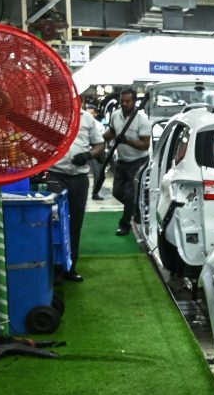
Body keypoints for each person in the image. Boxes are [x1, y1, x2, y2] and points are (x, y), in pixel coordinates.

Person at [44, 104, 106, 280]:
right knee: (55, 221)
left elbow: (99, 144)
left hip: (79, 178)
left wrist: (88, 155)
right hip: (55, 175)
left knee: (75, 223)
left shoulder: (86, 117)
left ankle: (70, 267)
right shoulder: (46, 116)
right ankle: (55, 268)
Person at [103, 87, 152, 236]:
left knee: (130, 195)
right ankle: (137, 209)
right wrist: (97, 140)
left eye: (128, 101)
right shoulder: (116, 115)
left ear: (134, 101)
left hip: (138, 162)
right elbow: (112, 132)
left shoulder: (142, 119)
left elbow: (145, 145)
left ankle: (124, 225)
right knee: (117, 192)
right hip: (122, 161)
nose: (124, 104)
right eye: (122, 101)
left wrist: (126, 141)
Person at [85, 103, 107, 200]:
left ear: (95, 114)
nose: (89, 115)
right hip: (84, 152)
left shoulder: (99, 125)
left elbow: (101, 141)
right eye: (87, 113)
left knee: (99, 175)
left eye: (91, 113)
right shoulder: (81, 123)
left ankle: (95, 193)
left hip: (96, 153)